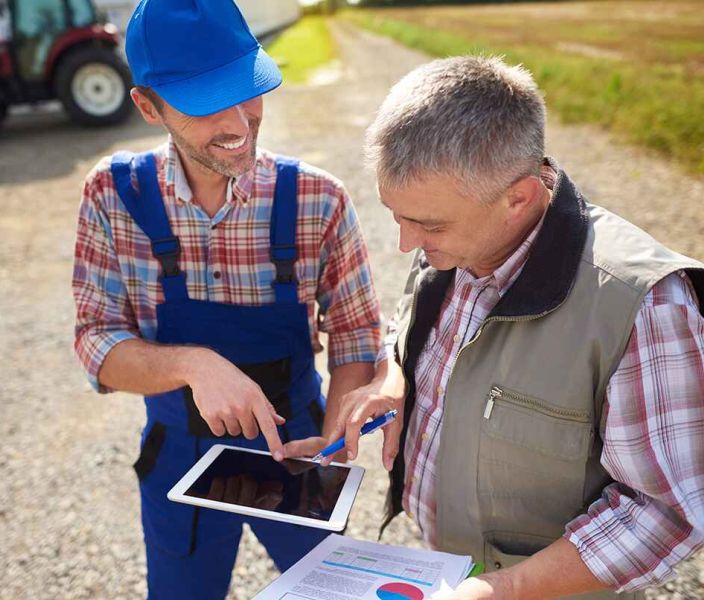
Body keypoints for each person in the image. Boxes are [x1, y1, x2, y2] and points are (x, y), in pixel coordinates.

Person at [284, 56, 704, 599]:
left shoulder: (643, 306)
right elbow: (407, 326)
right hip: (450, 569)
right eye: (396, 214)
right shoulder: (454, 240)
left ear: (520, 198)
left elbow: (666, 509)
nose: (406, 244)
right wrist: (393, 380)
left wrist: (502, 590)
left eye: (427, 224)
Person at [70, 0, 380, 597]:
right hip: (176, 457)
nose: (240, 120)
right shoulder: (113, 195)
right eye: (206, 102)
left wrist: (338, 439)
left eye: (247, 88)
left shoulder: (318, 199)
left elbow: (357, 337)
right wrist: (192, 365)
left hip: (300, 449)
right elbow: (94, 343)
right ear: (147, 106)